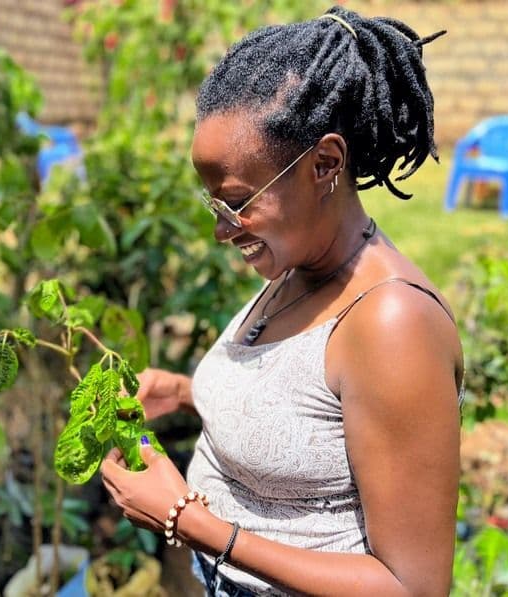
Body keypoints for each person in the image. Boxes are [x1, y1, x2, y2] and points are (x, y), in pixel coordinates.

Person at [100, 6, 463, 596]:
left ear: (324, 164)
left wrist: (191, 523)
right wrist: (193, 393)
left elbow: (412, 587)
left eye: (238, 202)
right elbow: (321, 418)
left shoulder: (392, 323)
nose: (223, 229)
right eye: (213, 204)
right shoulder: (300, 263)